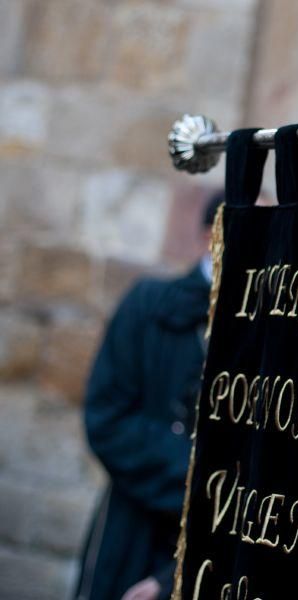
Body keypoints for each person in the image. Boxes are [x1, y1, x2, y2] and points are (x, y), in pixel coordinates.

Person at [74, 192, 222, 600]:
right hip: (131, 525)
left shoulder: (268, 332)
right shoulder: (149, 304)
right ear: (214, 234)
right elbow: (107, 419)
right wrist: (197, 478)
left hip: (207, 542)